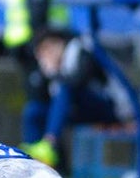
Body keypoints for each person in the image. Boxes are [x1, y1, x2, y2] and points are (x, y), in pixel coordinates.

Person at [2, 0, 68, 166]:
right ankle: (34, 158)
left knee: (42, 99)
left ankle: (40, 157)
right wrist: (46, 49)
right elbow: (38, 16)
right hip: (32, 46)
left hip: (29, 44)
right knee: (39, 101)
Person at [31, 28, 133, 163]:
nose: (46, 55)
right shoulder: (54, 65)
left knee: (65, 90)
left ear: (59, 43)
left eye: (48, 49)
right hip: (77, 108)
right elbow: (39, 96)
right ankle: (33, 159)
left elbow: (78, 82)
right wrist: (46, 75)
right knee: (34, 111)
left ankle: (49, 144)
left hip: (109, 106)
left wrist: (54, 74)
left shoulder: (82, 51)